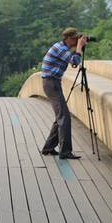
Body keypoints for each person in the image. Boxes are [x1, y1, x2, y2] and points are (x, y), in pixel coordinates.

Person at [39, 27, 88, 159]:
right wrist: (80, 47)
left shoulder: (61, 47)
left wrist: (79, 47)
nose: (76, 40)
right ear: (69, 38)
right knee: (64, 117)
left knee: (61, 116)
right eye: (75, 38)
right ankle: (65, 151)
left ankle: (49, 148)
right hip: (51, 83)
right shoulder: (61, 49)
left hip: (52, 83)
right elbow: (75, 61)